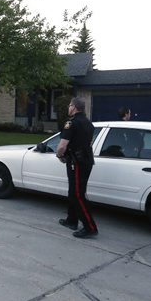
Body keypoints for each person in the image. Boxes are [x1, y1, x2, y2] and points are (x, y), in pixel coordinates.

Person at [56, 97, 98, 238]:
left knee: (78, 194)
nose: (68, 108)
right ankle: (71, 220)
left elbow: (62, 146)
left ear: (74, 107)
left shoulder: (71, 123)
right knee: (74, 192)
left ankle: (90, 227)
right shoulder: (88, 123)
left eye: (69, 105)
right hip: (86, 161)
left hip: (77, 163)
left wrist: (60, 155)